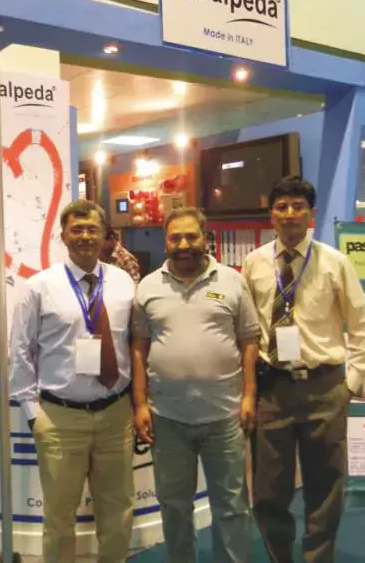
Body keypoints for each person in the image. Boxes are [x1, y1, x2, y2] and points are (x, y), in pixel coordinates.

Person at [241, 176, 365, 563]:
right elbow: (247, 329)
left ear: (310, 214)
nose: (290, 214)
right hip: (272, 390)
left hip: (324, 389)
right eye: (282, 206)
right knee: (268, 492)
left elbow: (364, 329)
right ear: (272, 215)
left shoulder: (335, 263)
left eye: (298, 206)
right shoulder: (253, 264)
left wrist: (348, 386)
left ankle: (318, 558)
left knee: (325, 488)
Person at [9, 199, 136, 563]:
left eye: (92, 229)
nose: (85, 236)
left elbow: (133, 343)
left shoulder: (124, 283)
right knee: (59, 516)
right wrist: (32, 414)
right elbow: (20, 349)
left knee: (118, 510)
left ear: (105, 235)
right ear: (63, 236)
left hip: (116, 416)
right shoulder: (39, 287)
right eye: (76, 229)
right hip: (61, 418)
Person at [131, 207, 259, 563]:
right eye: (176, 237)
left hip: (225, 416)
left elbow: (249, 340)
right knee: (174, 505)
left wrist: (249, 395)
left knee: (232, 506)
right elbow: (139, 347)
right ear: (166, 241)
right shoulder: (148, 286)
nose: (184, 244)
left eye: (191, 236)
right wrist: (140, 403)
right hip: (167, 418)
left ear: (206, 238)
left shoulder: (232, 281)